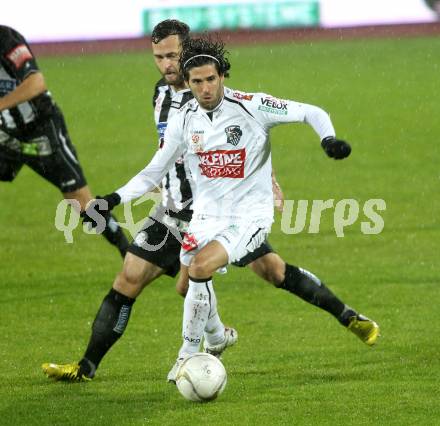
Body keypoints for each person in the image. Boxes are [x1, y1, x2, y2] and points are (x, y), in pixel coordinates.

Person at [42, 21, 378, 383]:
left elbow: (249, 138)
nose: (166, 64)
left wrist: (272, 177)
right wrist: (117, 198)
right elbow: (162, 160)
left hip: (227, 208)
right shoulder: (162, 95)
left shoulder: (223, 95)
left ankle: (345, 317)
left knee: (269, 271)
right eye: (159, 57)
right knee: (131, 276)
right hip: (174, 210)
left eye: (172, 55)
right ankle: (87, 367)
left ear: (190, 56)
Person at [0, 25, 128, 257]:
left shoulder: (6, 39)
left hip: (40, 130)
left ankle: (127, 250)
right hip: (5, 133)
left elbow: (36, 83)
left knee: (80, 201)